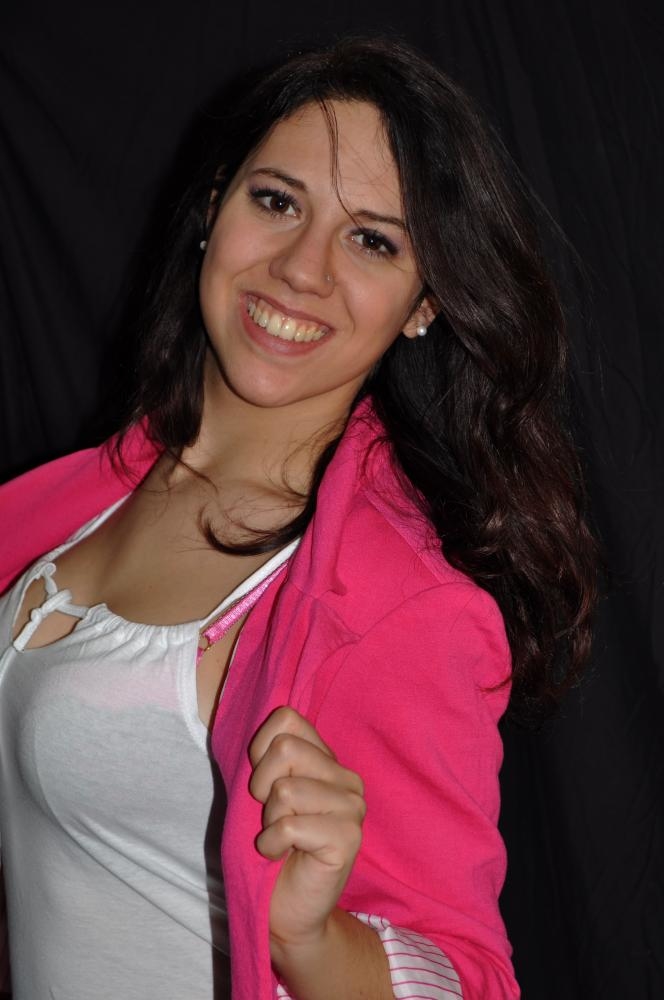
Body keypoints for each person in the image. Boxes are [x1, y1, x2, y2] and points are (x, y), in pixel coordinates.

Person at [0, 35, 597, 1000]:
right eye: (277, 201)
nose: (301, 269)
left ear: (424, 303)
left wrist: (312, 940)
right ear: (213, 209)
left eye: (373, 241)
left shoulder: (406, 604)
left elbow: (471, 978)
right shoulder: (87, 496)